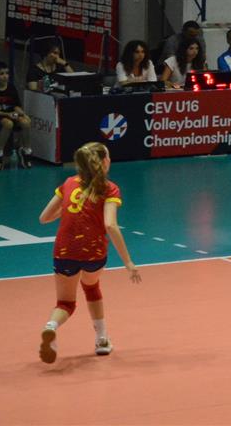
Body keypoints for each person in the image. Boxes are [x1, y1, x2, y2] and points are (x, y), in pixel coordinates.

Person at [36, 142, 141, 364]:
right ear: (104, 162)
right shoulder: (109, 188)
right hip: (93, 252)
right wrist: (128, 262)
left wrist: (65, 210)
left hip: (64, 251)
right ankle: (101, 339)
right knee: (91, 287)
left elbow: (44, 218)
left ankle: (51, 327)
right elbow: (110, 225)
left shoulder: (68, 183)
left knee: (65, 303)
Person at [0, 61, 32, 170]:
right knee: (8, 124)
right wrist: (7, 114)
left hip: (11, 115)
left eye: (7, 73)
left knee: (26, 122)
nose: (5, 76)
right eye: (1, 74)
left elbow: (16, 106)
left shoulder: (11, 88)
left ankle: (26, 150)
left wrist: (23, 114)